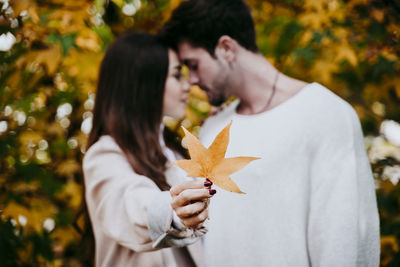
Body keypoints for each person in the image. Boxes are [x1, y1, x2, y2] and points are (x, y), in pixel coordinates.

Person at [160, 0, 380, 266]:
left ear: (226, 48)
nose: (192, 80)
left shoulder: (325, 114)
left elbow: (346, 244)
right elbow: (188, 223)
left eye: (193, 65)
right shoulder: (213, 129)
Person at [82, 33, 215, 267]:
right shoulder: (104, 155)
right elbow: (128, 202)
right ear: (144, 82)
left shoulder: (174, 155)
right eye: (176, 75)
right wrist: (173, 212)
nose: (188, 85)